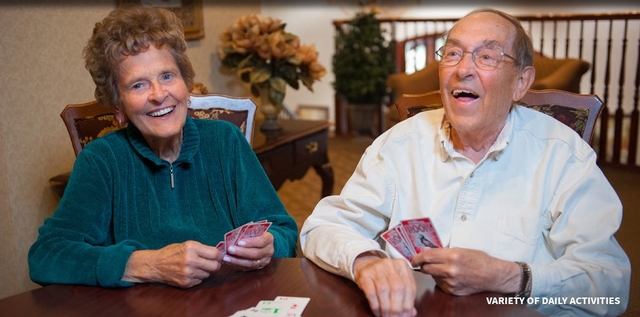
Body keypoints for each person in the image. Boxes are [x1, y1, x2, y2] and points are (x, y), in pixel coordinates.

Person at [300, 8, 630, 317]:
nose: (462, 69)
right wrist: (366, 261)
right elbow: (322, 228)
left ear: (520, 83)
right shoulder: (398, 145)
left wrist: (511, 277)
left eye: (486, 56)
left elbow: (610, 288)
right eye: (453, 53)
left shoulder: (563, 155)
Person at [29, 6, 297, 289]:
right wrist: (146, 264)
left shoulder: (226, 141)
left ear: (186, 85)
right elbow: (45, 256)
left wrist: (270, 245)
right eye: (138, 85)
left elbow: (286, 232)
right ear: (118, 107)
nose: (159, 95)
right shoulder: (101, 160)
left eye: (168, 76)